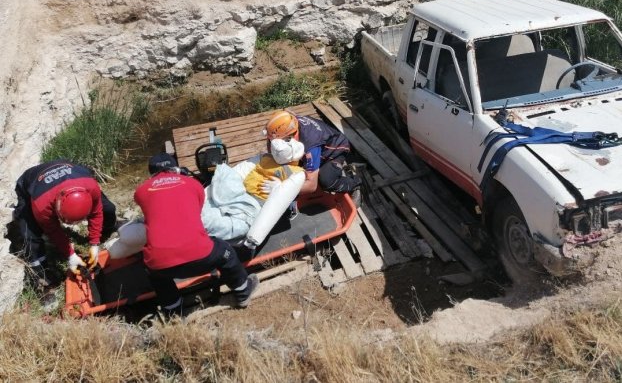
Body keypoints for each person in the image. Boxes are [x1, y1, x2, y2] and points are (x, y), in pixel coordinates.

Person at [134, 153, 259, 316]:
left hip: (162, 266)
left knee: (151, 267)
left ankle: (173, 311)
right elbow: (197, 208)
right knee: (226, 251)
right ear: (175, 168)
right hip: (202, 256)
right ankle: (243, 292)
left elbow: (147, 205)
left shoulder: (142, 191)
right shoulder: (192, 183)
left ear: (151, 172)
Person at [8, 159, 118, 287]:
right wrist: (70, 256)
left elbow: (97, 213)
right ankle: (43, 273)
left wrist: (94, 243)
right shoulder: (42, 205)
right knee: (30, 234)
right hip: (32, 182)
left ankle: (106, 232)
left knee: (108, 209)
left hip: (72, 173)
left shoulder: (91, 186)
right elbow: (53, 231)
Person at [264, 110, 361, 197]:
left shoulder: (310, 147)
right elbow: (289, 112)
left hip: (336, 149)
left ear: (289, 136)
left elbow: (311, 186)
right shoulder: (290, 121)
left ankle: (355, 184)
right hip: (322, 140)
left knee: (326, 181)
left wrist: (281, 189)